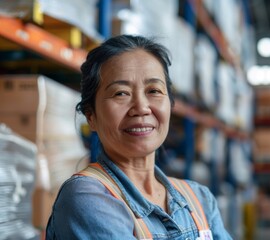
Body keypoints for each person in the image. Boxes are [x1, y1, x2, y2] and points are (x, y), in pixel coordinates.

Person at [46, 35, 232, 240]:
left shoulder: (199, 199)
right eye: (121, 93)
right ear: (91, 116)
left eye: (154, 90)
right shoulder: (87, 198)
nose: (141, 108)